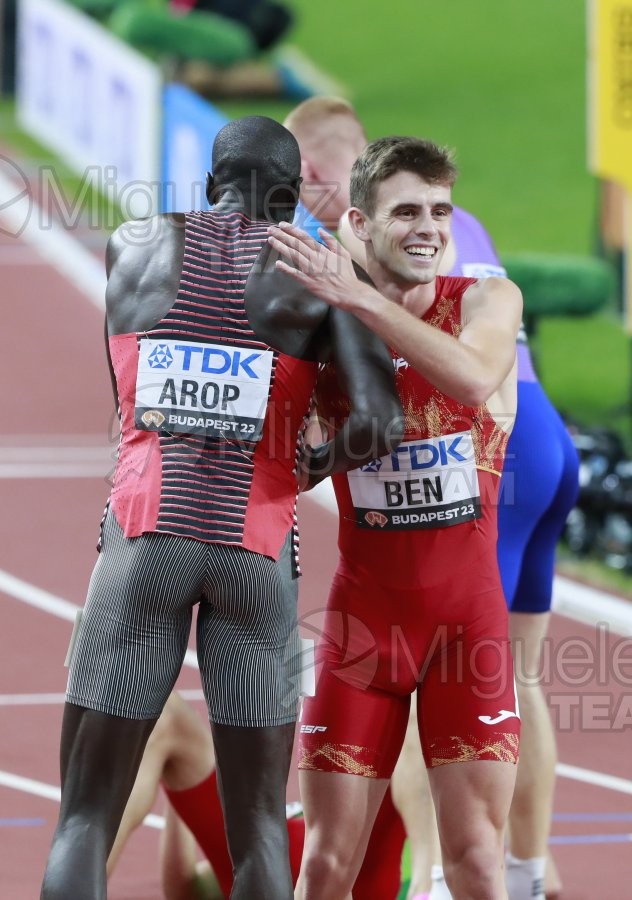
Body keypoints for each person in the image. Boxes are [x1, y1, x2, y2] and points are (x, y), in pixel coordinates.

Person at [40, 115, 403, 900]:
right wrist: (304, 467)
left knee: (84, 818)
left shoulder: (132, 242)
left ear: (210, 184)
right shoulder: (318, 270)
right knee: (261, 832)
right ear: (291, 197)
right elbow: (381, 421)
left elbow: (126, 393)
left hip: (143, 537)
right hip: (257, 548)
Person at [287, 97, 574, 900]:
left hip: (467, 634)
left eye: (441, 210)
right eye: (406, 210)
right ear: (359, 222)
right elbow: (293, 459)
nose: (430, 227)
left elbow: (479, 377)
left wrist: (358, 298)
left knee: (476, 863)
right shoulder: (326, 329)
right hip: (362, 633)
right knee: (325, 866)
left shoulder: (487, 301)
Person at [106, 691, 406, 899]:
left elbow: (184, 891)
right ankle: (83, 877)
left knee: (415, 707)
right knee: (164, 714)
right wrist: (183, 779)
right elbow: (187, 888)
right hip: (264, 853)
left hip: (356, 867)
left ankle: (428, 887)